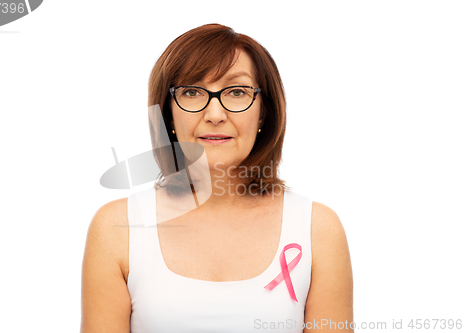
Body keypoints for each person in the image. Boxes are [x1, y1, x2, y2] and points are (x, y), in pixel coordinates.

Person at [81, 23, 353, 333]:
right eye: (192, 92)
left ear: (263, 112)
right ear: (169, 114)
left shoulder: (317, 229)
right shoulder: (117, 228)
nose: (214, 114)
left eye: (237, 92)